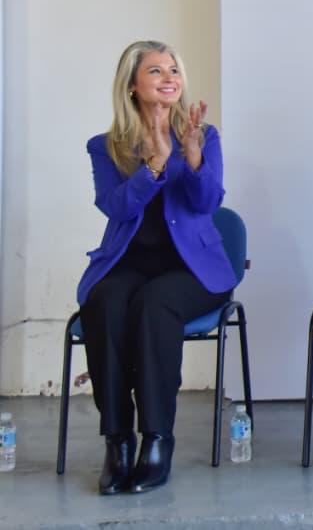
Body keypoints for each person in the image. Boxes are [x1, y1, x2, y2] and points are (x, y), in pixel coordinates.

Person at [78, 40, 236, 494]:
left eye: (174, 70)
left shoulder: (202, 135)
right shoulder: (106, 146)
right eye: (156, 71)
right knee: (105, 303)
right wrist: (152, 166)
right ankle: (117, 441)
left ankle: (156, 439)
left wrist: (192, 157)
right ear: (132, 85)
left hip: (192, 269)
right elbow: (115, 207)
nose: (169, 78)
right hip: (128, 263)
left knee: (154, 304)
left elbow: (208, 202)